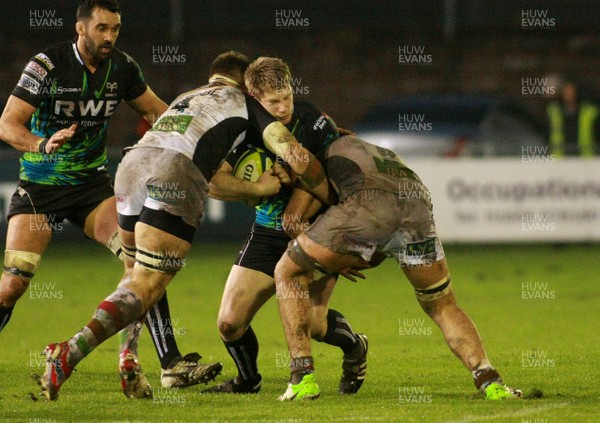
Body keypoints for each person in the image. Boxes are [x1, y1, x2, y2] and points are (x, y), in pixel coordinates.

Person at [37, 50, 333, 401]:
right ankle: (69, 353)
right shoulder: (247, 103)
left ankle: (128, 361)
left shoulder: (186, 98)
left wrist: (256, 187)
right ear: (246, 86)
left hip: (132, 164)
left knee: (134, 274)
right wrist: (314, 178)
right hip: (174, 172)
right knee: (147, 284)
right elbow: (296, 154)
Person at [0, 0, 220, 399]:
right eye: (102, 28)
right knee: (11, 287)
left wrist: (188, 142)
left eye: (115, 29)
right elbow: (7, 124)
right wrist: (41, 144)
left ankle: (161, 363)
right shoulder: (46, 64)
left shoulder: (123, 67)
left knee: (141, 261)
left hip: (92, 187)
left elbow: (157, 111)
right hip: (41, 188)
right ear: (80, 28)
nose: (109, 37)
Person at [274, 135, 522, 401]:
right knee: (443, 305)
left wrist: (336, 258)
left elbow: (291, 220)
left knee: (288, 272)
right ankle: (489, 381)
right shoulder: (367, 148)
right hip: (416, 205)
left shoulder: (315, 161)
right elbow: (384, 240)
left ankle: (303, 378)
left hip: (369, 205)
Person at [204, 57, 368, 395]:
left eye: (287, 97)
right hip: (267, 232)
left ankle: (355, 347)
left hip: (316, 228)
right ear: (253, 98)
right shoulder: (241, 130)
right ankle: (248, 381)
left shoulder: (313, 120)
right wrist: (258, 188)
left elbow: (340, 172)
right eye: (273, 102)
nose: (283, 108)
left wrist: (339, 242)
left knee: (315, 326)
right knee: (229, 323)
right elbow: (214, 183)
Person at [547, 80, 599, 157]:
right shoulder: (554, 111)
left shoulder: (588, 111)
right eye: (566, 91)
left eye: (571, 91)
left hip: (585, 157)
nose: (569, 94)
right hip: (560, 157)